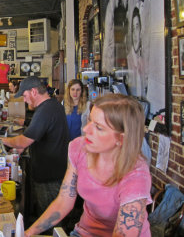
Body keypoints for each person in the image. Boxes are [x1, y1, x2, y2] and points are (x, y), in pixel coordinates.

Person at [25, 94, 152, 237]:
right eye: (90, 120)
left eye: (98, 127)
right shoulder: (79, 148)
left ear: (121, 139)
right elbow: (64, 201)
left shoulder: (136, 174)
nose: (86, 129)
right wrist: (29, 232)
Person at [0, 76, 69, 224]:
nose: (24, 100)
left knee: (49, 221)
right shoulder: (50, 106)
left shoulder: (46, 110)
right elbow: (38, 135)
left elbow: (24, 139)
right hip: (51, 172)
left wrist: (1, 140)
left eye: (24, 96)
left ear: (33, 91)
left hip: (50, 177)